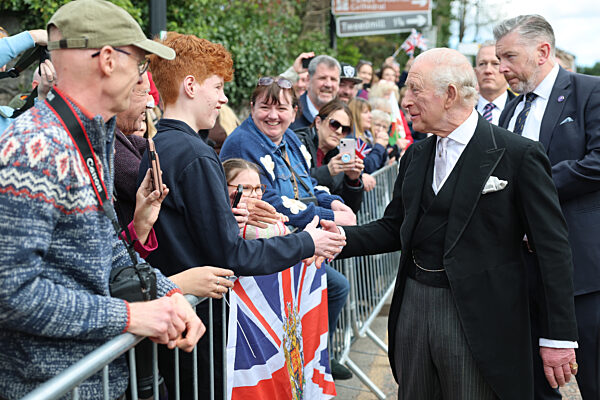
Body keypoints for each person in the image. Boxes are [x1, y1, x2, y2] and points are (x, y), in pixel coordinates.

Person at [334, 48, 578, 399]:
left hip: (481, 321)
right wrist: (337, 238)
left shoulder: (517, 155)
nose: (405, 101)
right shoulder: (416, 156)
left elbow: (553, 248)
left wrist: (558, 337)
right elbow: (395, 228)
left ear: (449, 95)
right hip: (413, 312)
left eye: (414, 90)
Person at [0, 1, 205, 399]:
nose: (145, 82)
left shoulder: (90, 135)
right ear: (108, 60)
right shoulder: (34, 147)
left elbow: (103, 244)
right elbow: (10, 293)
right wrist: (132, 315)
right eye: (141, 64)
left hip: (92, 381)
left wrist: (166, 294)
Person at [139, 33, 346, 399]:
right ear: (190, 86)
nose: (222, 98)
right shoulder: (197, 155)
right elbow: (231, 254)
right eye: (217, 87)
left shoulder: (158, 144)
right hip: (200, 322)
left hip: (181, 315)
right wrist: (307, 241)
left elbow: (187, 230)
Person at [220, 76, 356, 380]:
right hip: (260, 245)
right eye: (264, 107)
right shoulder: (244, 142)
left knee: (331, 287)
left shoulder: (292, 138)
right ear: (251, 107)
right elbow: (266, 200)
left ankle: (314, 358)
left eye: (280, 107)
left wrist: (334, 203)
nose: (272, 115)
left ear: (294, 111)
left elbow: (307, 182)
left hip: (294, 237)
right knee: (335, 286)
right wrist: (323, 214)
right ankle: (309, 360)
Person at [495, 14, 600, 400]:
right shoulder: (510, 110)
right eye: (497, 58)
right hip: (523, 274)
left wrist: (533, 186)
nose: (501, 67)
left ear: (542, 51)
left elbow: (598, 162)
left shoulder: (590, 91)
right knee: (534, 385)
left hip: (583, 275)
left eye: (508, 56)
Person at [295, 99, 365, 213]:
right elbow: (293, 181)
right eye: (334, 124)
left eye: (345, 129)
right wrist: (327, 171)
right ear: (318, 122)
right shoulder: (298, 143)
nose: (339, 131)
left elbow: (349, 209)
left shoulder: (337, 156)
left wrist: (352, 181)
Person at [290, 55, 340, 131]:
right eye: (322, 78)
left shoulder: (344, 118)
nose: (328, 84)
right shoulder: (291, 113)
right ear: (308, 80)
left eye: (333, 79)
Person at [474, 41, 515, 125]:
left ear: (506, 69)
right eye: (482, 64)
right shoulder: (462, 109)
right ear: (475, 71)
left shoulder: (521, 108)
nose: (488, 70)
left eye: (495, 64)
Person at [349, 97, 389, 174]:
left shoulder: (368, 136)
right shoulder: (352, 140)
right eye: (365, 112)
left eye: (370, 112)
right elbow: (368, 166)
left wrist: (384, 147)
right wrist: (379, 146)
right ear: (355, 115)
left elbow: (380, 163)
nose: (370, 116)